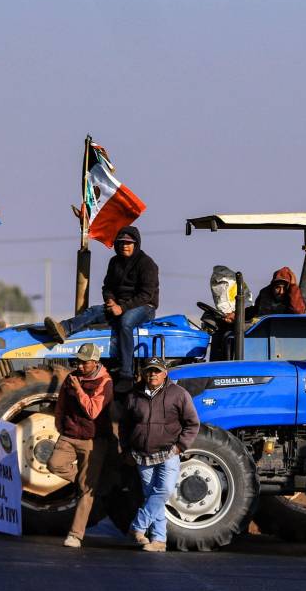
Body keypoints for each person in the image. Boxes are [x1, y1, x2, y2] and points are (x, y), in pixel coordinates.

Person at [44, 226, 158, 385]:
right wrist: (110, 300)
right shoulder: (114, 262)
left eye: (129, 243)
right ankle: (63, 329)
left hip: (144, 306)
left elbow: (146, 294)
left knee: (125, 323)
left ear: (136, 244)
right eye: (121, 242)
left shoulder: (147, 264)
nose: (125, 245)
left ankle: (126, 373)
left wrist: (122, 308)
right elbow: (107, 287)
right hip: (119, 305)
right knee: (94, 311)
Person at [119, 357, 200, 552]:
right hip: (142, 455)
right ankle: (159, 540)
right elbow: (124, 425)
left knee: (163, 491)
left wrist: (180, 447)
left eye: (156, 371)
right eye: (149, 371)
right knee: (151, 497)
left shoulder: (179, 394)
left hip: (169, 452)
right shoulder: (134, 396)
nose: (152, 374)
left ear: (165, 373)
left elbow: (192, 423)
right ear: (144, 373)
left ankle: (137, 527)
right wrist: (126, 449)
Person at [46, 343, 115, 548]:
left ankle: (75, 535)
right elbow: (61, 403)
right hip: (69, 434)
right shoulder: (71, 377)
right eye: (79, 361)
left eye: (84, 362)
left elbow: (93, 411)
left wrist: (78, 390)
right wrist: (60, 423)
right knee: (54, 464)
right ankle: (91, 483)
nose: (80, 365)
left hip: (92, 440)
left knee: (86, 491)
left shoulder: (105, 382)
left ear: (95, 362)